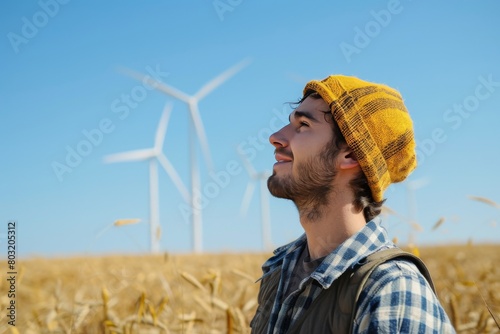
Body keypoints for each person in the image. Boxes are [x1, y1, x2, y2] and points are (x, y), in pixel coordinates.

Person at [250, 75, 455, 333]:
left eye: (303, 125)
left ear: (350, 155)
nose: (275, 137)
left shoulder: (392, 289)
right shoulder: (278, 271)